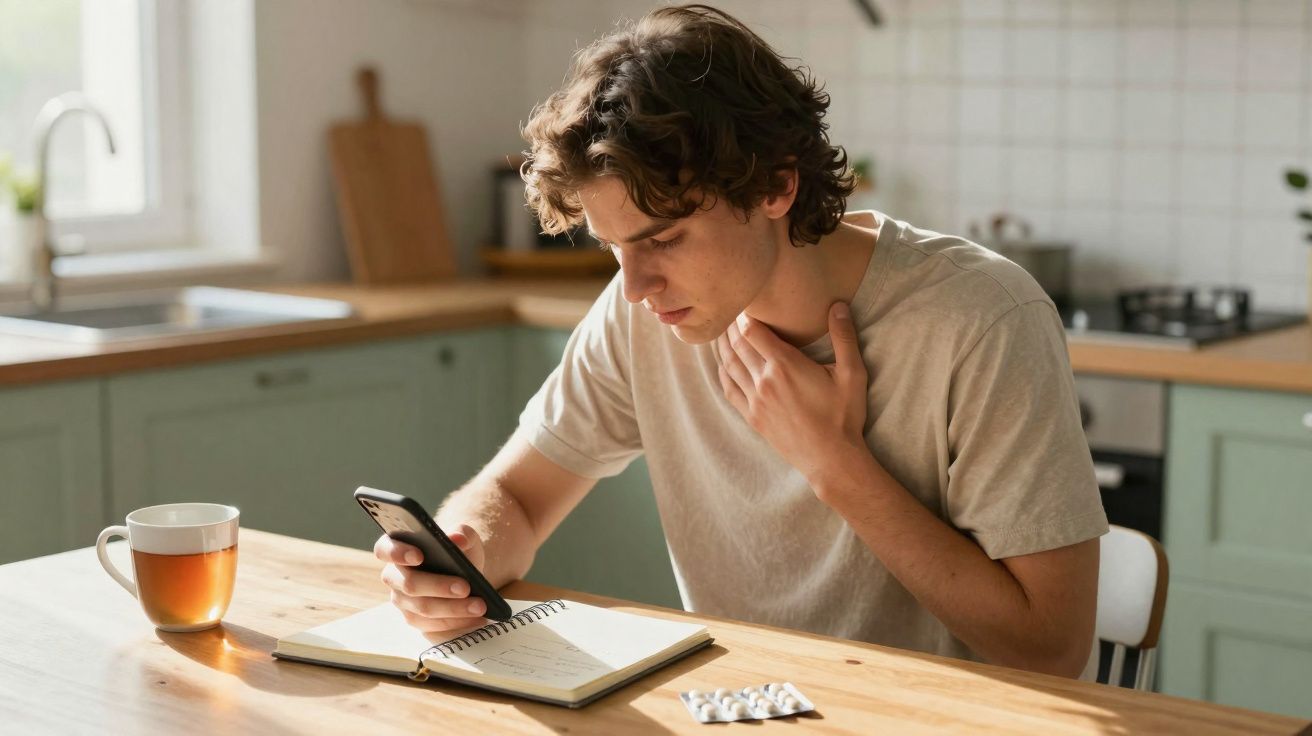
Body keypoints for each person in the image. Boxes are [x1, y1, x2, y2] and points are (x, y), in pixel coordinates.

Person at [375, 4, 1107, 679]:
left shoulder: (983, 319)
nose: (634, 287)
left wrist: (837, 466)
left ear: (775, 188)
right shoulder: (644, 310)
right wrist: (462, 552)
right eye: (613, 247)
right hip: (737, 711)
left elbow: (1050, 649)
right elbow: (517, 498)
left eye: (663, 239)